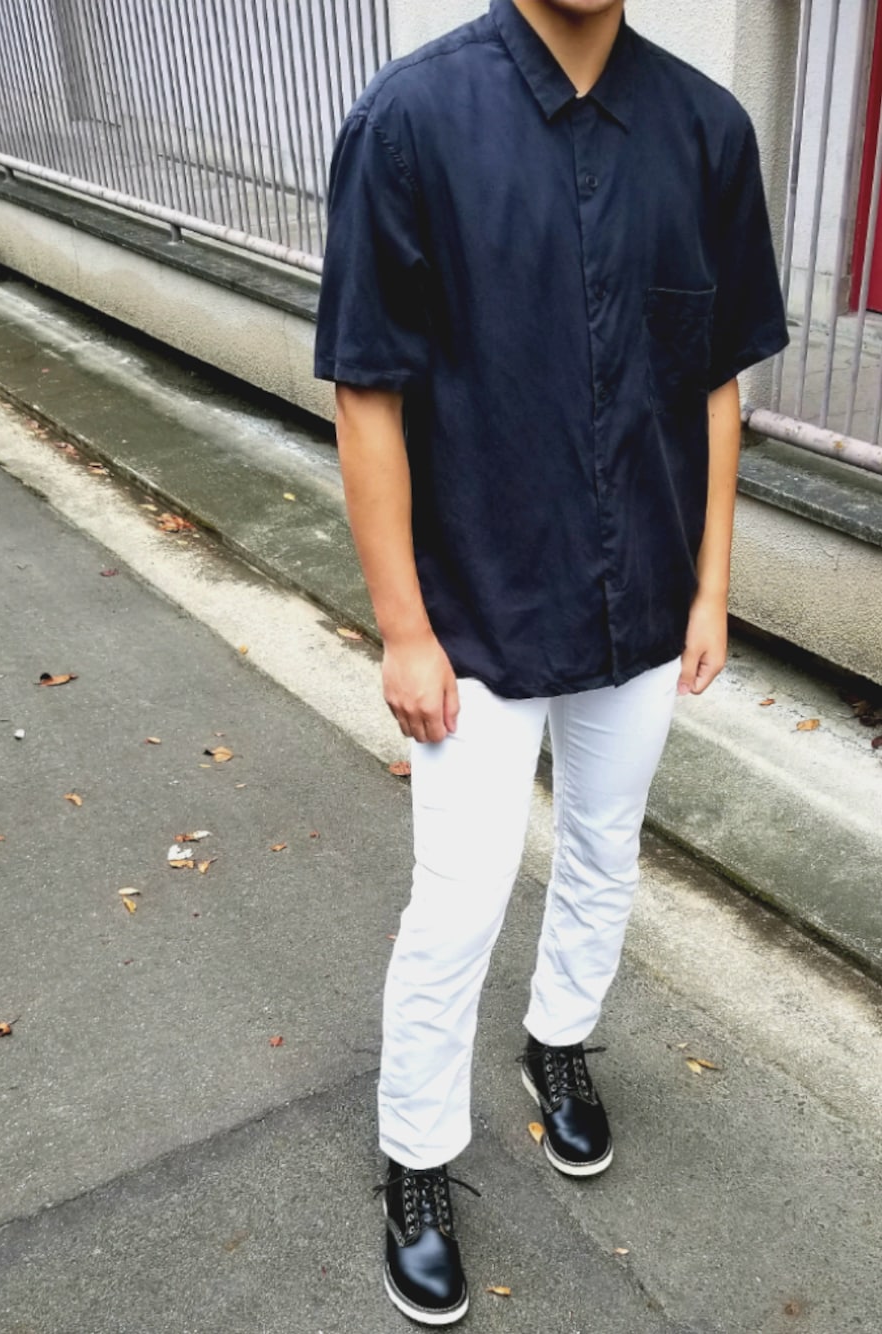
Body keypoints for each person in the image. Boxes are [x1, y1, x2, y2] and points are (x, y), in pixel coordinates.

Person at [314, 0, 788, 1324]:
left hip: (644, 597)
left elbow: (713, 383)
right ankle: (417, 1160)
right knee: (459, 899)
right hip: (475, 610)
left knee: (604, 847)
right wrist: (403, 628)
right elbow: (366, 389)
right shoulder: (410, 123)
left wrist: (711, 586)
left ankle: (558, 1041)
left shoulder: (705, 129)